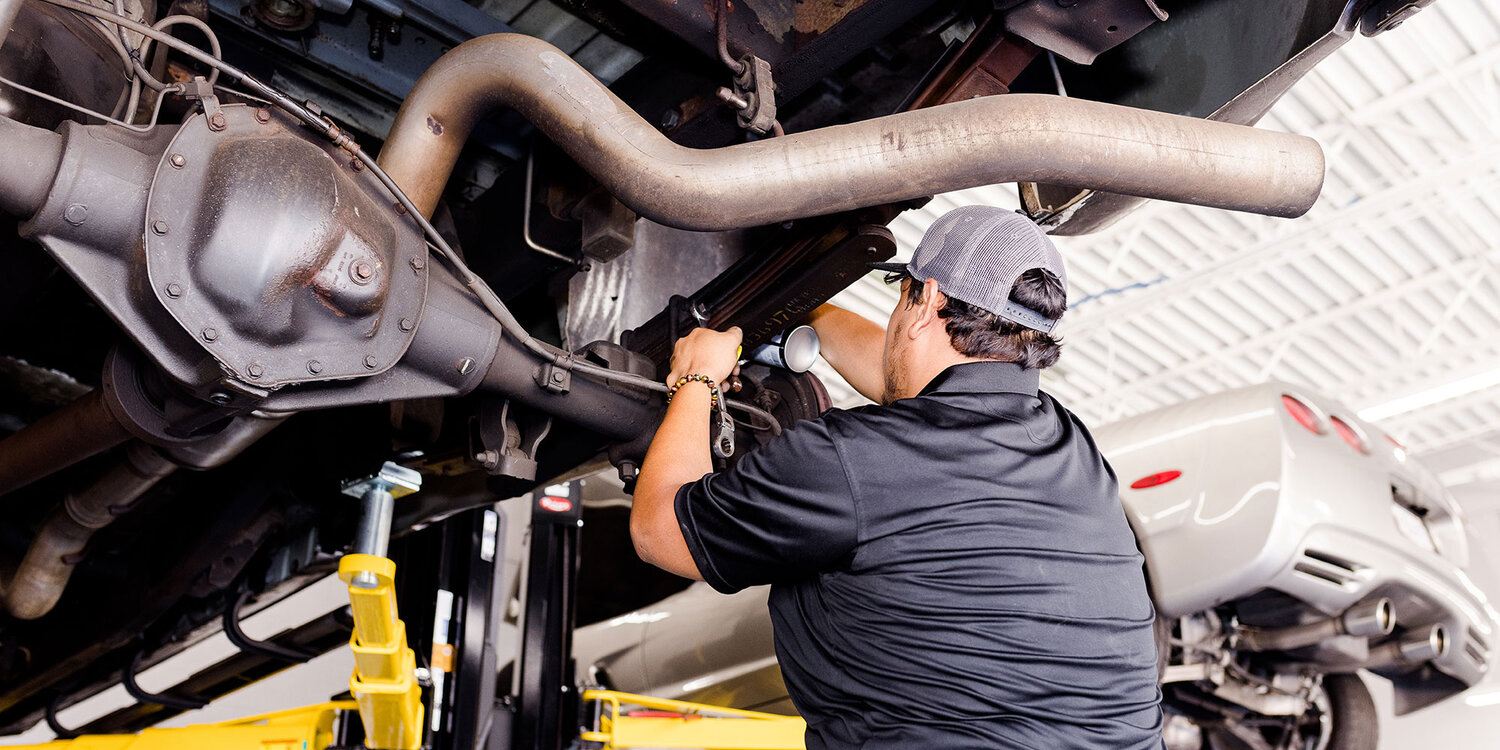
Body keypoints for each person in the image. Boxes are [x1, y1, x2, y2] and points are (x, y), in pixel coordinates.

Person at [630, 205, 1162, 749]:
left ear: (926, 300)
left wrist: (696, 378)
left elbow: (659, 530)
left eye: (900, 296)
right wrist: (809, 309)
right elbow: (911, 391)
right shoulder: (1075, 450)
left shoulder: (848, 458)